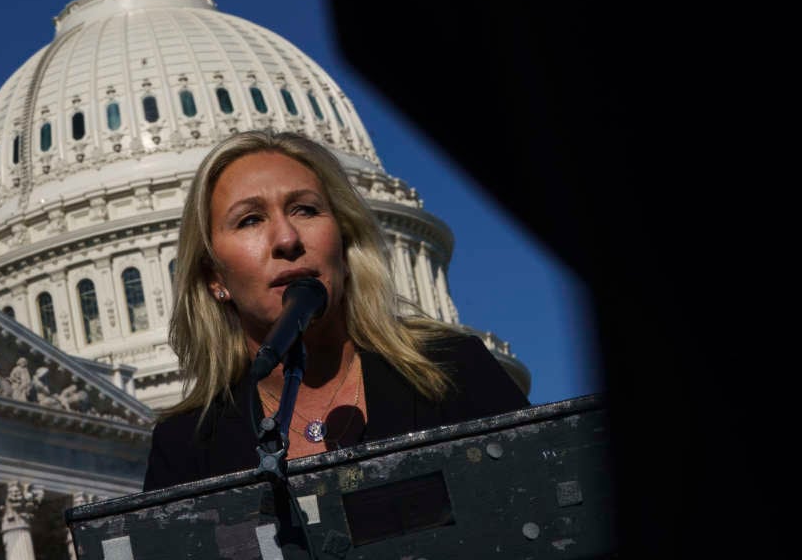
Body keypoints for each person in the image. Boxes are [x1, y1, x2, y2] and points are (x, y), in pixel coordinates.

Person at [142, 130, 529, 491]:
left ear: (344, 247)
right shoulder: (187, 446)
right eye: (250, 220)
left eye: (305, 210)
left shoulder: (452, 374)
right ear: (215, 278)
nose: (287, 239)